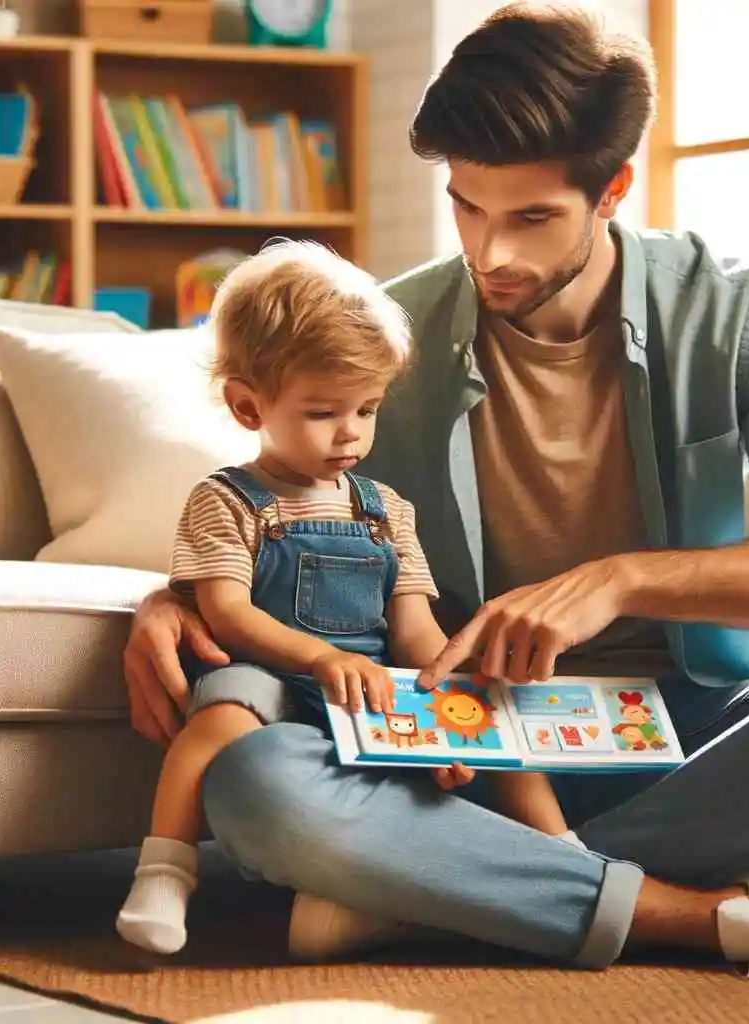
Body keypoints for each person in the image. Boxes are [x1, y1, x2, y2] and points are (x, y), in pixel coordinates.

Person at [122, 1, 749, 988]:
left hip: (692, 730)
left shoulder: (739, 310)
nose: (491, 252)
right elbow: (265, 492)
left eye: (532, 216)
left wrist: (622, 580)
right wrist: (174, 594)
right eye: (468, 206)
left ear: (613, 189)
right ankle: (698, 912)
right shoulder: (390, 332)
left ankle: (447, 892)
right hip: (466, 745)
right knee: (254, 779)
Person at [114, 239, 577, 957]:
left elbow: (415, 625)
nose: (352, 433)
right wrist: (319, 657)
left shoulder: (385, 509)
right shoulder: (227, 501)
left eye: (367, 408)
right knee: (220, 724)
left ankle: (570, 859)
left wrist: (448, 693)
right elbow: (227, 614)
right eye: (324, 412)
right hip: (268, 675)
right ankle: (164, 871)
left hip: (370, 685)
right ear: (247, 406)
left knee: (495, 730)